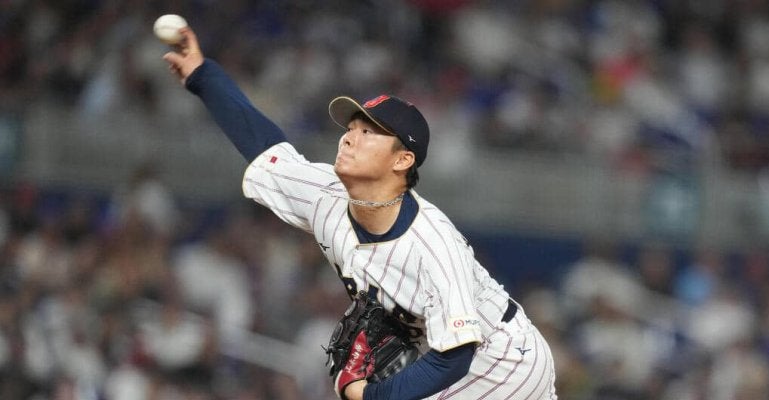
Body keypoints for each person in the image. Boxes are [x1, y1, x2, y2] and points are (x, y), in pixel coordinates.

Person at [162, 26, 557, 400]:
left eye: (368, 132)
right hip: (452, 355)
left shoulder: (430, 244)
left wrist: (371, 395)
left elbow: (455, 354)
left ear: (402, 160)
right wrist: (202, 74)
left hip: (501, 362)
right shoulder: (324, 196)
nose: (349, 137)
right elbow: (263, 145)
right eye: (350, 127)